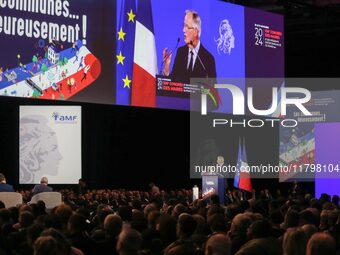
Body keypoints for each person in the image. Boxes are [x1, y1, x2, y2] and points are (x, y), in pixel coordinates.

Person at [163, 10, 216, 84]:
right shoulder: (180, 52)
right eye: (183, 26)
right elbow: (173, 85)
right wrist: (166, 69)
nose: (183, 30)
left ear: (195, 31)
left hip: (198, 96)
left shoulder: (208, 59)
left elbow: (212, 91)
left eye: (187, 26)